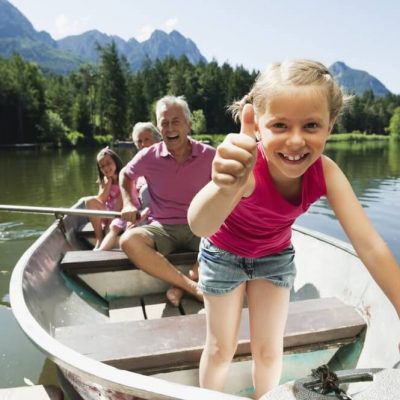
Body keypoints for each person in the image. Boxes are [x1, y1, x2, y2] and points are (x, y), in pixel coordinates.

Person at [187, 59, 400, 399]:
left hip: (274, 256)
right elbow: (200, 224)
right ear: (257, 126)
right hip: (222, 255)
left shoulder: (326, 173)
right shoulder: (245, 167)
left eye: (312, 125)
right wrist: (224, 186)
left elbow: (371, 246)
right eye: (281, 125)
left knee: (270, 349)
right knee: (219, 348)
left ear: (330, 126)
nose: (296, 141)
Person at [119, 95, 215, 304]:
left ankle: (182, 286)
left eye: (176, 121)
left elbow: (228, 188)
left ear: (189, 125)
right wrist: (128, 202)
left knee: (236, 231)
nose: (170, 128)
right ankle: (192, 287)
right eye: (164, 123)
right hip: (162, 228)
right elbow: (125, 175)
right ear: (159, 128)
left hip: (199, 226)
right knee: (128, 240)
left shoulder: (210, 155)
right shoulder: (148, 156)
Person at [85, 147, 126, 250]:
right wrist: (108, 185)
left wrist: (109, 222)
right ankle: (99, 238)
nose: (106, 168)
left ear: (116, 162)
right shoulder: (104, 180)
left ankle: (108, 239)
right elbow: (101, 200)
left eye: (108, 163)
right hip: (107, 212)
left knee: (110, 228)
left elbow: (120, 204)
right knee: (89, 201)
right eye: (102, 166)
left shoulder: (125, 177)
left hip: (121, 213)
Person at [130, 122, 162, 210]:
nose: (143, 144)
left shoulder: (165, 159)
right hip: (137, 208)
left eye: (147, 139)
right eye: (139, 141)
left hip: (157, 211)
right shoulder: (135, 164)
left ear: (157, 140)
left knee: (145, 191)